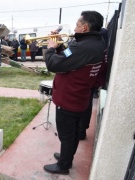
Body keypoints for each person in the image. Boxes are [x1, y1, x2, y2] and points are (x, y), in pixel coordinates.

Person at [43, 11, 106, 175]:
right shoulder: (95, 43)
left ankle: (63, 165)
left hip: (69, 98)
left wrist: (50, 48)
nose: (75, 27)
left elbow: (54, 64)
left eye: (77, 24)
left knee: (67, 135)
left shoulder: (82, 47)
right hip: (80, 96)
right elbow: (69, 58)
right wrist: (60, 46)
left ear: (84, 27)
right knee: (72, 133)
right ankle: (66, 157)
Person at [78, 28, 109, 140]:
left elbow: (66, 58)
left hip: (89, 81)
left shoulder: (91, 47)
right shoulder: (102, 46)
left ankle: (80, 131)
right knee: (87, 105)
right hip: (94, 81)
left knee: (84, 106)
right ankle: (82, 129)